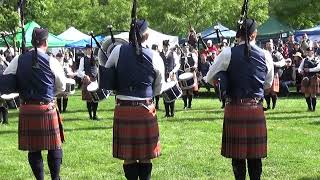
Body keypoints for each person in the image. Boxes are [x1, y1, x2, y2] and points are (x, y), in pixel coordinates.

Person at [206, 18, 273, 180]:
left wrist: (225, 79)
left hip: (234, 108)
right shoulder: (265, 55)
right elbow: (268, 84)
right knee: (255, 156)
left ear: (238, 34)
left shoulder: (227, 53)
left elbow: (209, 78)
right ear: (254, 34)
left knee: (238, 156)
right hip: (256, 108)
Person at [2, 27, 66, 180]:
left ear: (32, 41)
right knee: (54, 146)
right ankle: (55, 178)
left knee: (34, 149)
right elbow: (62, 86)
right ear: (46, 42)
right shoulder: (52, 60)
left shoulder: (19, 59)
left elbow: (6, 79)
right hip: (47, 107)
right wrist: (50, 95)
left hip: (27, 108)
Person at [105, 19, 164, 180]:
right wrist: (150, 95)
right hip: (145, 109)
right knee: (145, 156)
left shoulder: (117, 51)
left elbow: (108, 71)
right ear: (145, 35)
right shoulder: (155, 56)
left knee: (128, 156)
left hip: (123, 109)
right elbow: (159, 86)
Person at [77, 44, 99, 120]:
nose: (89, 50)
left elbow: (98, 68)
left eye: (90, 49)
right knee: (89, 99)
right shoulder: (83, 59)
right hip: (87, 79)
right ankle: (90, 115)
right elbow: (79, 70)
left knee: (96, 98)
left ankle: (95, 115)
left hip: (95, 80)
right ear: (86, 50)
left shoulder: (96, 58)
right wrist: (84, 75)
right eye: (88, 49)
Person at [160, 40, 180, 117]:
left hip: (171, 76)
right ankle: (167, 113)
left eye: (168, 46)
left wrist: (173, 71)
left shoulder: (173, 53)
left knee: (172, 93)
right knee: (165, 94)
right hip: (163, 76)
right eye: (165, 46)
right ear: (163, 46)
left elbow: (177, 65)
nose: (166, 47)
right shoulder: (160, 54)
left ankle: (172, 113)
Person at [264, 40, 285, 110]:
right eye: (267, 44)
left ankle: (274, 106)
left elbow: (283, 62)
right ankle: (268, 105)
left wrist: (274, 63)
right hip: (266, 74)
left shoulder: (277, 53)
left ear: (272, 45)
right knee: (266, 91)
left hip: (274, 73)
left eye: (270, 44)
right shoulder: (264, 53)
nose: (269, 45)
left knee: (273, 91)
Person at [180, 43, 198, 109]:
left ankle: (189, 105)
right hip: (183, 73)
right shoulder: (181, 55)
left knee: (190, 90)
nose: (185, 48)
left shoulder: (192, 54)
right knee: (184, 90)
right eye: (184, 47)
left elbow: (196, 64)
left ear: (188, 47)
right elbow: (179, 64)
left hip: (191, 73)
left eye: (187, 47)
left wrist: (191, 68)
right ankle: (185, 105)